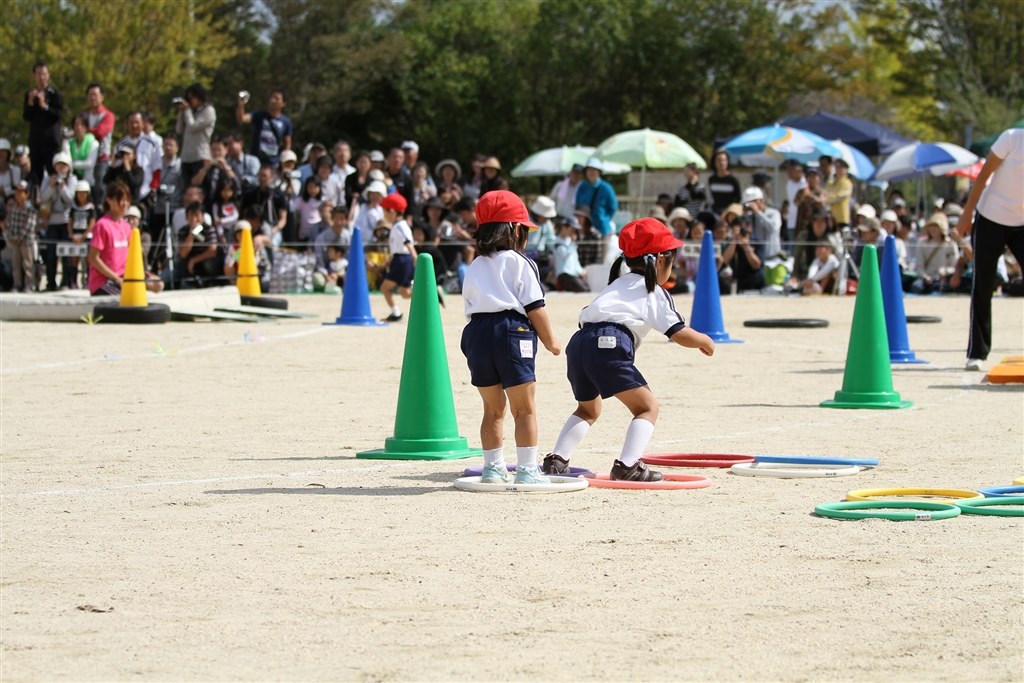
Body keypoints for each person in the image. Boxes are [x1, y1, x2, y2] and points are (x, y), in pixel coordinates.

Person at [540, 217, 714, 481]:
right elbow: (678, 333)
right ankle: (628, 466)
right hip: (609, 343)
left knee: (588, 409)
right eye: (672, 260)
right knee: (647, 407)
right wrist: (704, 340)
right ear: (660, 260)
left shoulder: (615, 285)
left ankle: (557, 461)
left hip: (578, 344)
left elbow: (586, 316)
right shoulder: (652, 290)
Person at [460, 190, 561, 484]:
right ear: (516, 230)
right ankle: (528, 470)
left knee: (492, 409)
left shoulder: (475, 265)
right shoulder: (520, 262)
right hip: (512, 331)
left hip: (477, 333)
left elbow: (469, 306)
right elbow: (535, 308)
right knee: (524, 408)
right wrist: (551, 341)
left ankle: (493, 468)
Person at [959, 128, 1024, 370]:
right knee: (983, 285)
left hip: (1022, 224)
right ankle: (977, 353)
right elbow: (983, 176)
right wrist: (966, 216)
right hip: (990, 218)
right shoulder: (1011, 138)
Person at [88, 181, 163, 295]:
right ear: (109, 200)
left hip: (125, 276)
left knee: (158, 284)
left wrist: (140, 274)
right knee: (127, 295)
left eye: (127, 200)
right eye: (120, 199)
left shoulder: (126, 226)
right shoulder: (102, 225)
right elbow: (93, 258)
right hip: (105, 281)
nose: (124, 204)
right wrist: (116, 278)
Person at [23, 61, 64, 186]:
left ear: (48, 75)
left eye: (44, 74)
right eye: (39, 74)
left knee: (53, 172)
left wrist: (44, 106)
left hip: (51, 141)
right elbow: (26, 116)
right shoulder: (30, 93)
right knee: (36, 174)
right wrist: (30, 103)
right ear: (34, 76)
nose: (41, 77)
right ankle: (36, 200)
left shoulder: (55, 94)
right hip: (36, 141)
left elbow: (58, 115)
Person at [38, 152, 75, 290]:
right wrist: (52, 186)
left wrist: (62, 186)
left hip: (66, 221)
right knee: (51, 254)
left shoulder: (72, 180)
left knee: (66, 254)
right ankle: (51, 283)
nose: (61, 169)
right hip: (52, 221)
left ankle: (66, 282)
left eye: (64, 166)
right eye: (58, 165)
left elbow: (71, 199)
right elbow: (42, 198)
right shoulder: (48, 179)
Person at [378, 192, 416, 322]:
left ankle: (396, 313)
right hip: (401, 259)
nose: (384, 215)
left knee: (385, 288)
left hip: (402, 261)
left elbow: (408, 242)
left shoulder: (399, 226)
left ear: (392, 211)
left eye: (385, 211)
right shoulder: (400, 225)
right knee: (405, 293)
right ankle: (429, 294)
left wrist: (415, 256)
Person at [574, 158, 618, 259]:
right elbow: (578, 206)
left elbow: (613, 207)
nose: (591, 172)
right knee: (582, 259)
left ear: (599, 172)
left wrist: (604, 219)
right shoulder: (582, 186)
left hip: (602, 228)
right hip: (584, 230)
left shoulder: (606, 188)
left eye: (594, 170)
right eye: (589, 170)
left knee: (601, 260)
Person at [236, 88, 292, 166]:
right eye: (272, 97)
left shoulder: (286, 122)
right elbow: (242, 119)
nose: (273, 100)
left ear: (283, 103)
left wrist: (284, 161)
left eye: (277, 99)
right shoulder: (260, 115)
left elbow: (287, 144)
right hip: (256, 159)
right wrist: (241, 105)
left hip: (274, 161)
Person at [175, 83, 216, 189]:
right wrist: (181, 112)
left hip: (200, 156)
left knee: (198, 190)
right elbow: (179, 130)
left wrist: (187, 110)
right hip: (186, 157)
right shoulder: (189, 112)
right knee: (186, 191)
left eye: (192, 98)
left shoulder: (208, 111)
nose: (190, 101)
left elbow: (193, 127)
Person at [113, 112, 161, 201]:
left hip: (146, 191)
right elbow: (114, 167)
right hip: (126, 192)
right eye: (131, 122)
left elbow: (157, 167)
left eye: (137, 122)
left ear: (143, 124)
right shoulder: (120, 145)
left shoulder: (152, 143)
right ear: (126, 124)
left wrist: (153, 188)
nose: (134, 125)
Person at [83, 83, 115, 206]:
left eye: (95, 95)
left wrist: (86, 130)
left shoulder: (108, 115)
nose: (93, 98)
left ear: (102, 97)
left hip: (101, 159)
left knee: (100, 189)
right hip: (84, 157)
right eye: (90, 95)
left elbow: (100, 132)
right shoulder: (84, 114)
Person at [177, 200, 222, 286]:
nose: (194, 219)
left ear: (203, 216)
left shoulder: (209, 229)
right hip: (189, 259)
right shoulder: (182, 231)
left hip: (204, 259)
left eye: (197, 215)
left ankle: (211, 283)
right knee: (181, 264)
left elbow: (213, 251)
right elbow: (183, 254)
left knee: (208, 264)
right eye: (191, 216)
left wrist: (194, 260)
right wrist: (191, 236)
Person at [911, 212, 958, 294]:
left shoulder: (950, 244)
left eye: (936, 226)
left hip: (943, 279)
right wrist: (925, 277)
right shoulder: (922, 243)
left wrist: (945, 271)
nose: (933, 229)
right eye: (931, 226)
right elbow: (919, 266)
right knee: (916, 287)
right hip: (926, 279)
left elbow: (954, 266)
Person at [4, 181, 38, 292]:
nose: (18, 194)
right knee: (16, 264)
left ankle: (29, 284)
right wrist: (11, 236)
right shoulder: (13, 208)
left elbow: (30, 225)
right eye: (17, 192)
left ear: (27, 194)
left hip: (26, 241)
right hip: (15, 240)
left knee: (28, 264)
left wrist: (20, 237)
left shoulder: (30, 208)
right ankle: (17, 284)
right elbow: (10, 223)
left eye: (21, 192)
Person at [68, 180, 96, 288]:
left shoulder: (91, 208)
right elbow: (70, 222)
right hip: (75, 236)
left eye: (84, 193)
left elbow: (92, 223)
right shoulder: (73, 207)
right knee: (74, 260)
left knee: (89, 260)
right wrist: (71, 234)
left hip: (87, 237)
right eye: (79, 193)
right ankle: (73, 282)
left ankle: (88, 282)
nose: (82, 195)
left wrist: (84, 236)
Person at [552, 216, 588, 292]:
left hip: (573, 275)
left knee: (586, 289)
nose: (573, 232)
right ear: (564, 227)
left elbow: (575, 259)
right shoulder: (556, 241)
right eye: (572, 229)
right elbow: (564, 255)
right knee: (583, 290)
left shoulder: (570, 242)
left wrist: (580, 271)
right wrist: (572, 243)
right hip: (564, 275)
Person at [65, 114, 98, 183]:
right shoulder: (69, 143)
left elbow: (90, 164)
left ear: (86, 127)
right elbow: (66, 161)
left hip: (87, 181)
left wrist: (72, 164)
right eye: (76, 125)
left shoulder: (93, 143)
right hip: (71, 179)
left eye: (82, 125)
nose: (79, 127)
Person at [825, 158, 853, 229]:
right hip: (829, 217)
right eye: (836, 167)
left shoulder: (847, 183)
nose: (838, 169)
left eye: (841, 167)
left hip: (841, 218)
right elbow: (825, 194)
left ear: (846, 170)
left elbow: (840, 196)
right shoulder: (830, 183)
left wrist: (827, 199)